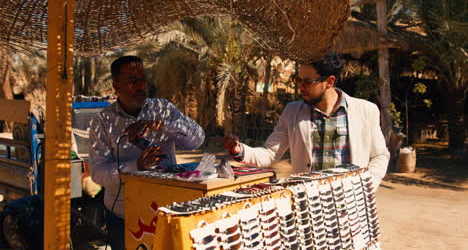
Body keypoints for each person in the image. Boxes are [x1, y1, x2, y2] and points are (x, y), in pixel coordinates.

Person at [224, 53, 389, 190]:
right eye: (298, 80)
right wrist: (239, 150)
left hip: (351, 207)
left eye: (308, 82)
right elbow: (270, 153)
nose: (300, 86)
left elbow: (380, 155)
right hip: (309, 206)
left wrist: (368, 185)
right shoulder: (293, 112)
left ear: (329, 82)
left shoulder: (365, 110)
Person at [88, 56, 205, 250]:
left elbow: (197, 139)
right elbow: (98, 173)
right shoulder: (103, 122)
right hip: (123, 214)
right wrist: (136, 167)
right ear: (116, 86)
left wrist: (164, 126)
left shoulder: (163, 108)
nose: (141, 85)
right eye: (133, 80)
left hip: (165, 209)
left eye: (143, 78)